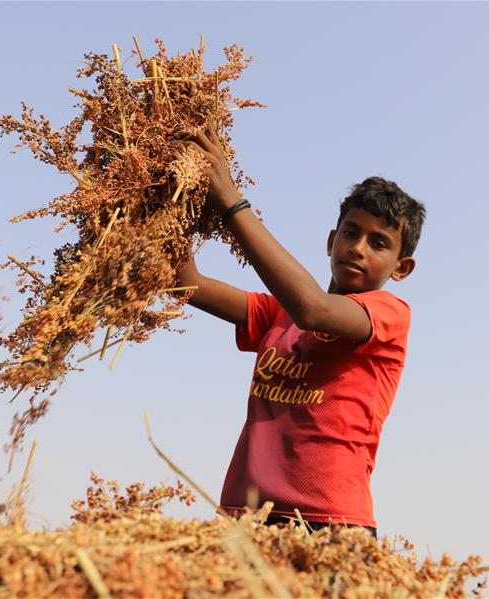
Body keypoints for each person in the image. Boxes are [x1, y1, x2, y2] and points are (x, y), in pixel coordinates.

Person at [178, 126, 426, 537]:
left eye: (379, 243)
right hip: (249, 519)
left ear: (401, 268)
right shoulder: (276, 314)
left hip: (330, 524)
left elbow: (312, 308)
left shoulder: (388, 315)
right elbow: (184, 282)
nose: (358, 248)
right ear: (331, 240)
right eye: (351, 232)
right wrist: (172, 194)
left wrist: (230, 202)